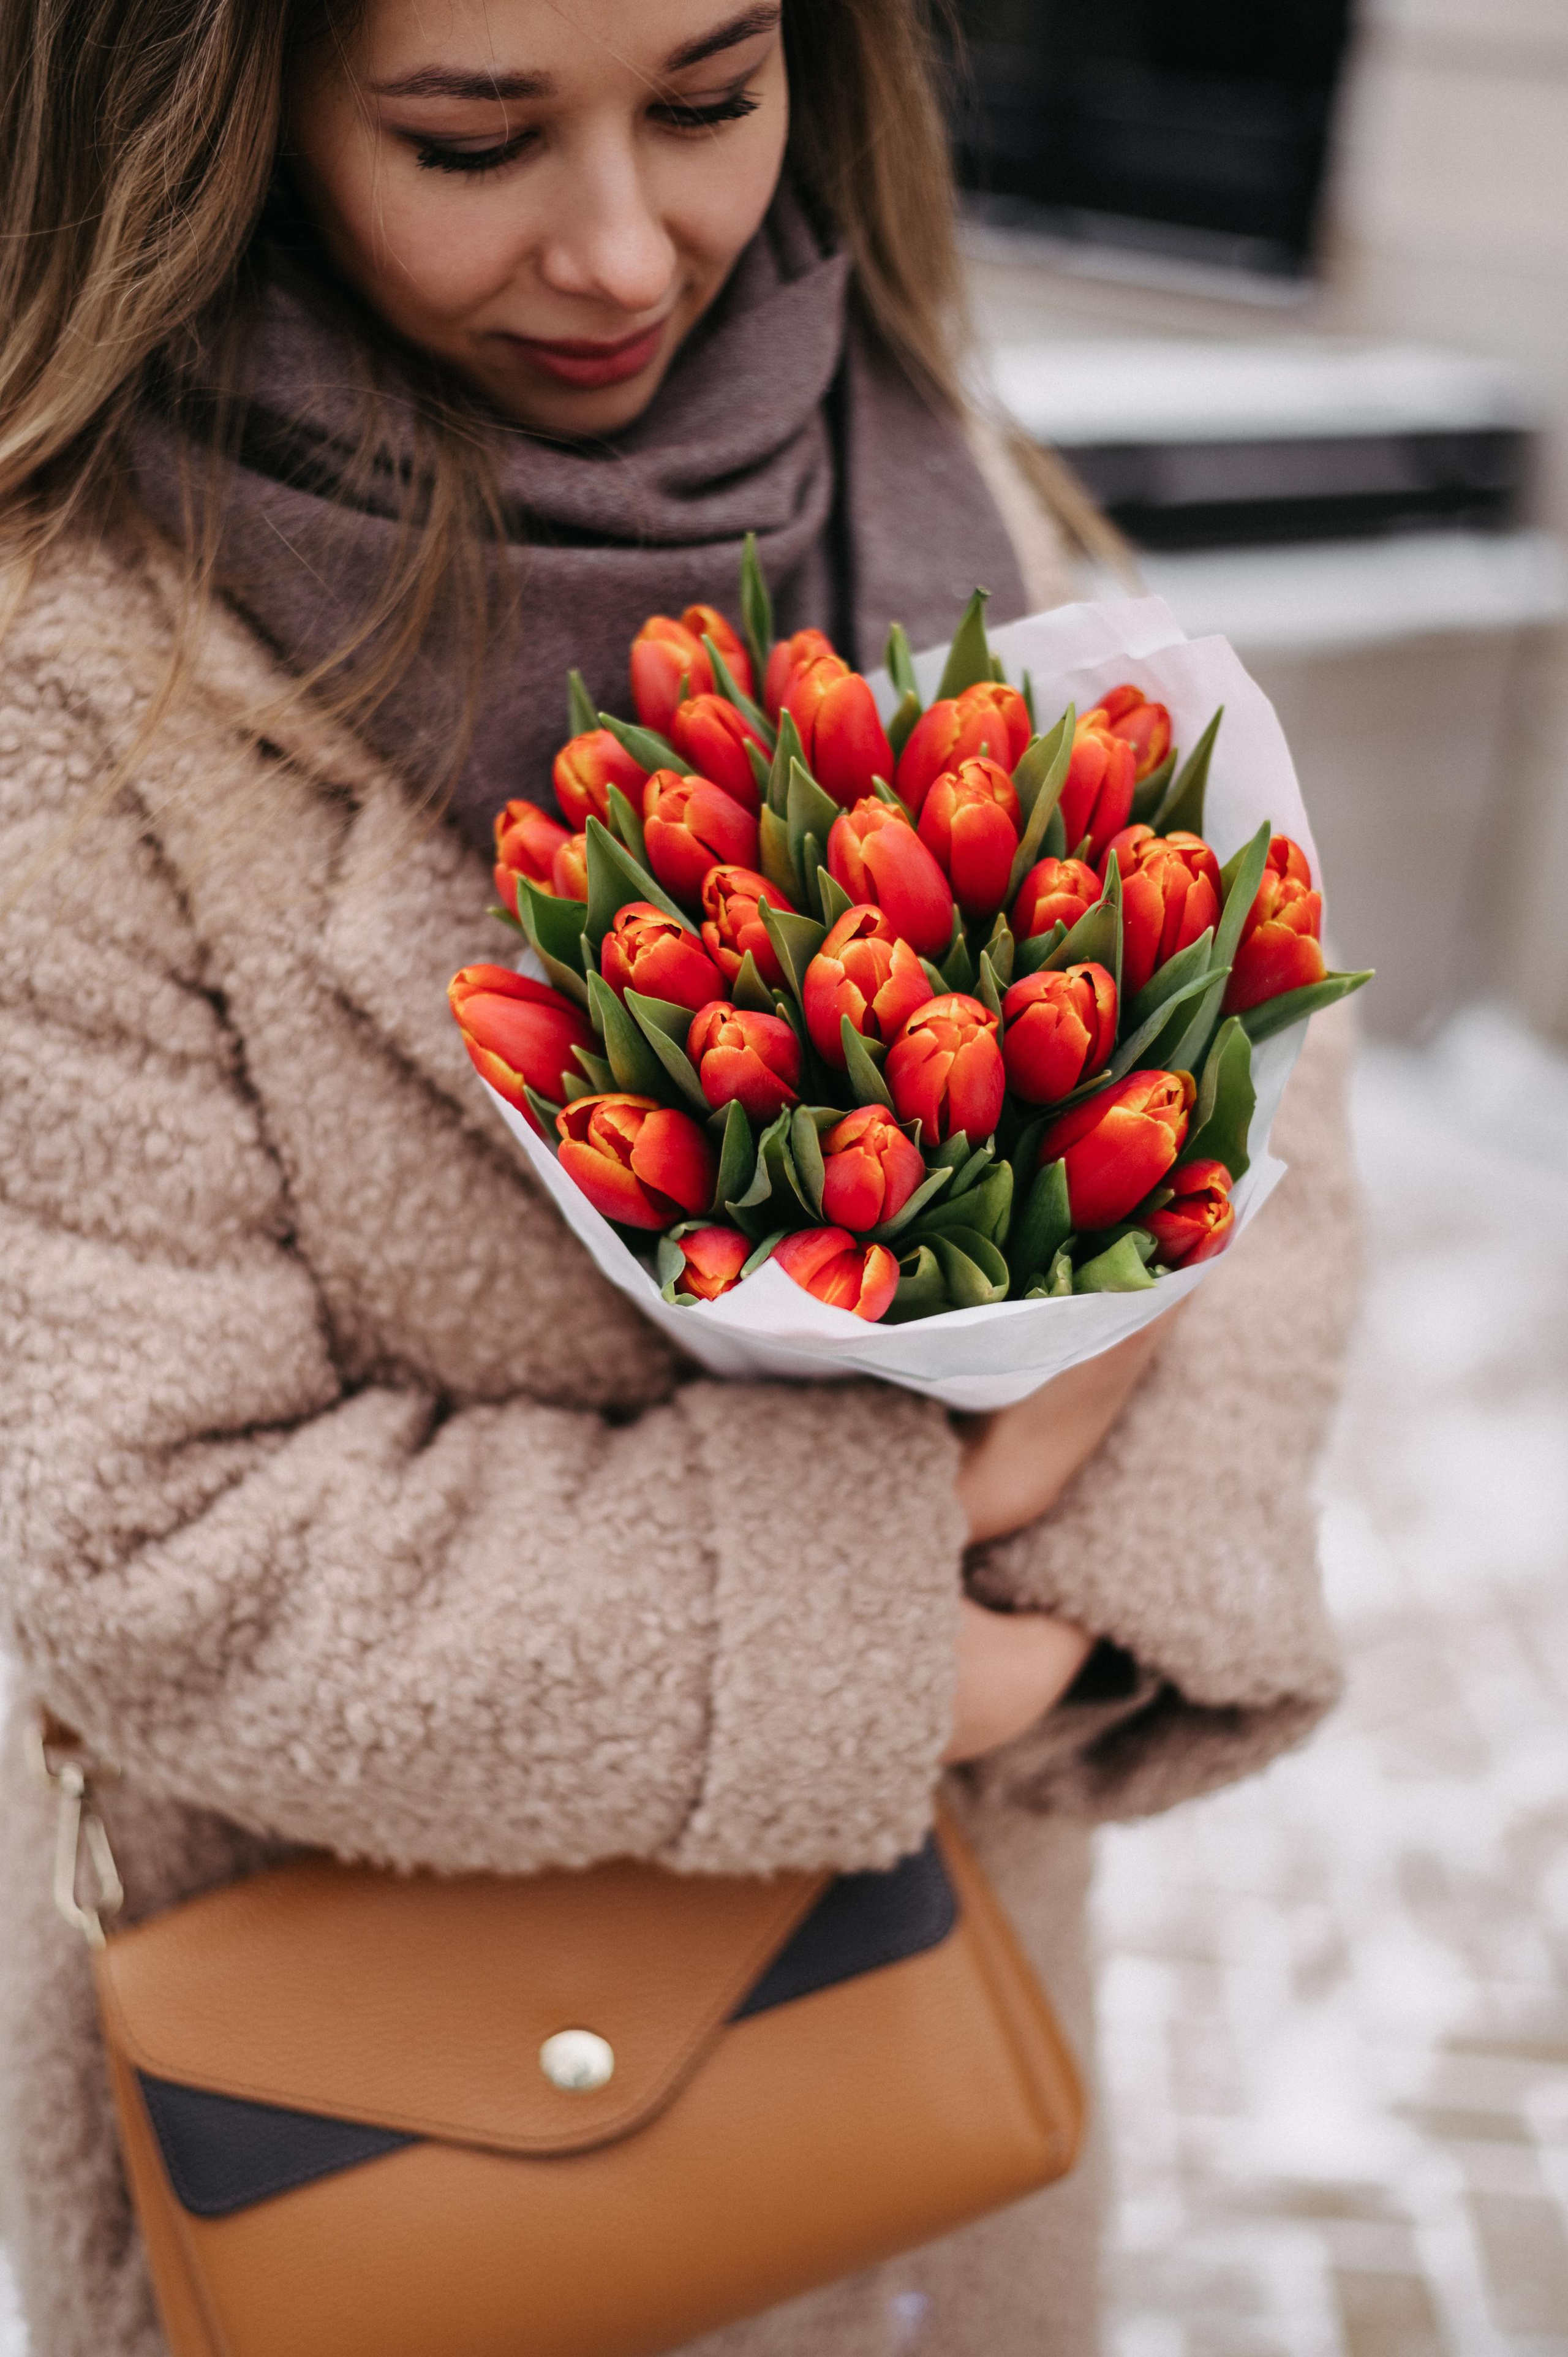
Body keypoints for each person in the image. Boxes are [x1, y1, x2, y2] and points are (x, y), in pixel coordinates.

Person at [0, 2, 1358, 2352]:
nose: (629, 252)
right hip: (391, 2143)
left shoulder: (902, 444)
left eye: (714, 101)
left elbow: (1261, 1090)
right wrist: (913, 1632)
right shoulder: (80, 686)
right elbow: (168, 1545)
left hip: (948, 2080)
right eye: (474, 141)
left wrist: (1091, 1584)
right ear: (225, 109)